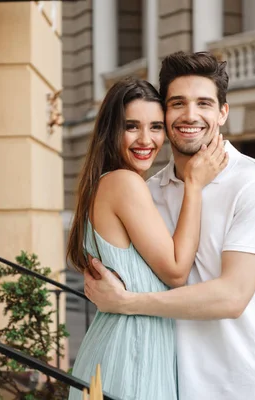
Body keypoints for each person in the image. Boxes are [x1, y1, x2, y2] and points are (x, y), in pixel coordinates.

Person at [84, 51, 255, 400]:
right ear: (164, 111)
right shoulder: (147, 191)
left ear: (222, 112)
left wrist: (127, 302)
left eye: (204, 103)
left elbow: (232, 297)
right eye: (178, 103)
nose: (190, 115)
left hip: (241, 388)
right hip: (166, 383)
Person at [66, 76, 228, 400]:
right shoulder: (125, 183)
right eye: (131, 126)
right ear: (111, 130)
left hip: (119, 345)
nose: (146, 139)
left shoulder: (105, 183)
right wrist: (194, 186)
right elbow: (177, 271)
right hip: (133, 352)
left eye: (155, 127)